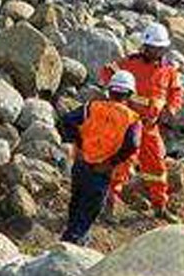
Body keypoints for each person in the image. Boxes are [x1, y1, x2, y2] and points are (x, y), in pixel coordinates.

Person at [100, 22, 184, 212]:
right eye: (154, 48)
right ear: (145, 46)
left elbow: (177, 92)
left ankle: (159, 206)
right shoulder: (130, 63)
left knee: (155, 165)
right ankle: (109, 201)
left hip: (150, 126)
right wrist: (118, 98)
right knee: (123, 162)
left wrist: (171, 108)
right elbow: (106, 72)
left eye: (160, 48)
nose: (157, 52)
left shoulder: (169, 70)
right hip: (128, 123)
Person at [57, 70, 144, 243]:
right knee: (89, 210)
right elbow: (133, 144)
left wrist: (80, 146)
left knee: (76, 203)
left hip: (81, 165)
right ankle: (72, 243)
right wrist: (111, 163)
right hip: (100, 170)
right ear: (129, 94)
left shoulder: (92, 107)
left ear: (110, 90)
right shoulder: (132, 119)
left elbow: (66, 121)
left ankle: (72, 237)